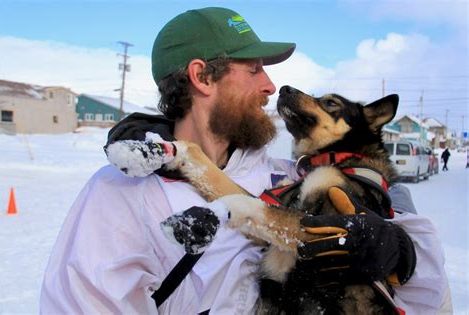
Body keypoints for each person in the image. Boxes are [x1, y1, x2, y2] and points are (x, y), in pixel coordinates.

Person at [40, 7, 451, 314]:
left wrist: (401, 248)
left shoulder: (283, 173)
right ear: (202, 77)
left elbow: (430, 291)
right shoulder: (120, 195)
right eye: (253, 70)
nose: (270, 86)